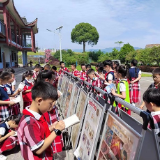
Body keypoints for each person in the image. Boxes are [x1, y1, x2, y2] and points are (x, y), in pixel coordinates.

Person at [17, 82, 65, 160]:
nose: (52, 105)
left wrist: (51, 128)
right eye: (50, 103)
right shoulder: (30, 123)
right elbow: (38, 149)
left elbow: (39, 134)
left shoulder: (36, 116)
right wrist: (57, 131)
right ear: (39, 101)